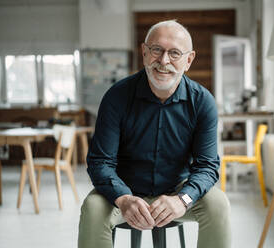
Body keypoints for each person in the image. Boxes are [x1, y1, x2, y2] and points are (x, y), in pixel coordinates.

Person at [78, 20, 231, 248]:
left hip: (177, 189)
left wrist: (183, 199)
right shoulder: (116, 97)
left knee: (218, 203)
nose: (163, 61)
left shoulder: (202, 102)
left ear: (188, 60)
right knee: (92, 207)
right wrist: (123, 198)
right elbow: (100, 161)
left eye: (175, 53)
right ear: (144, 52)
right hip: (124, 191)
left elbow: (207, 166)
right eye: (156, 50)